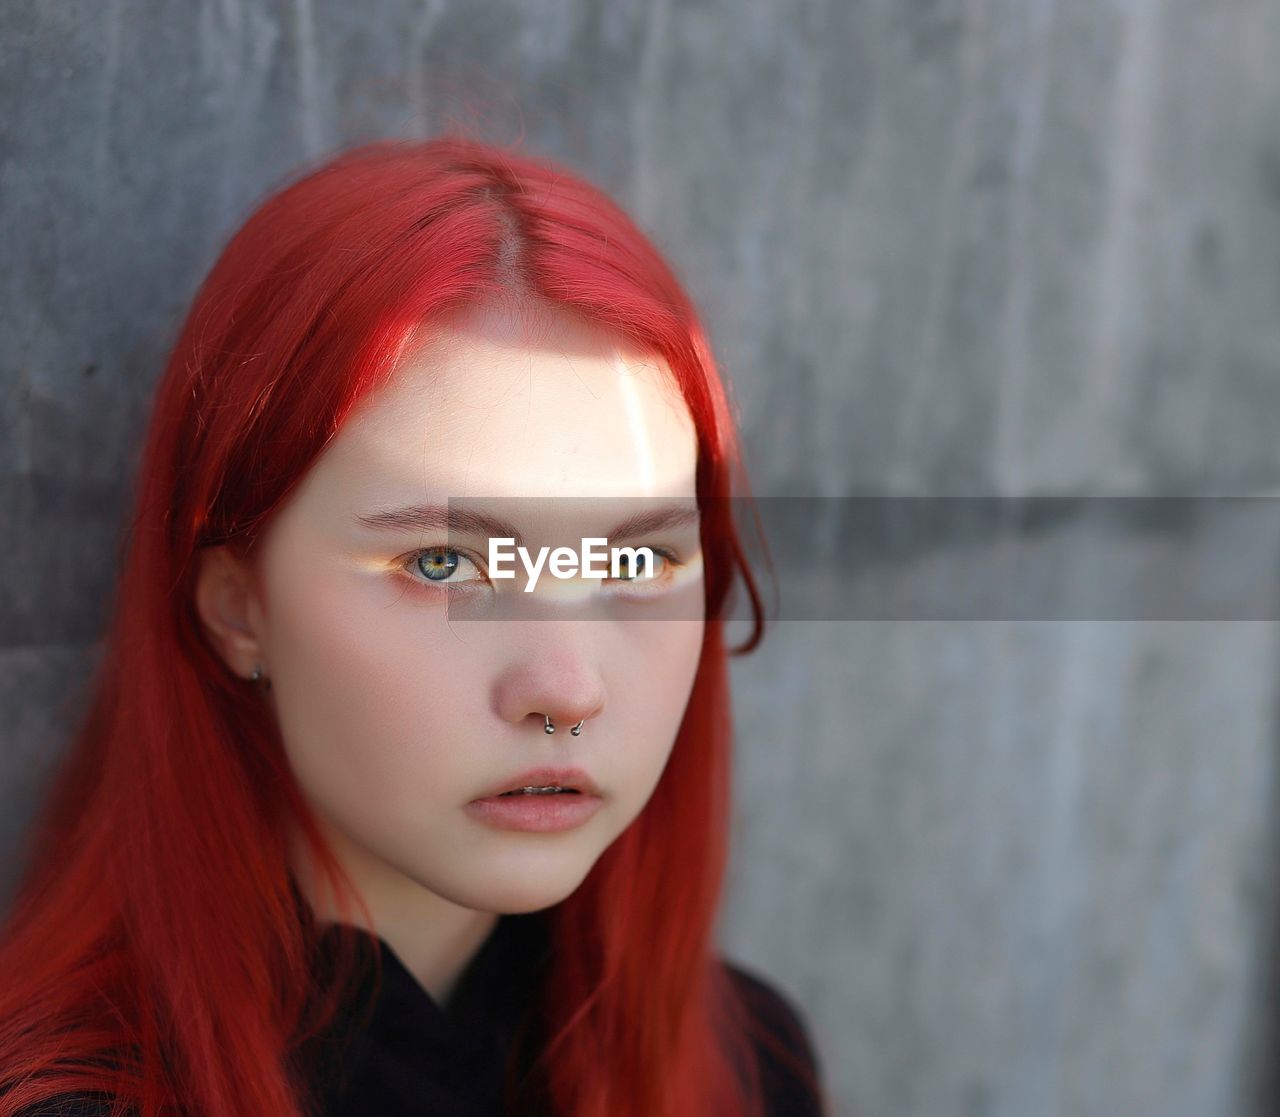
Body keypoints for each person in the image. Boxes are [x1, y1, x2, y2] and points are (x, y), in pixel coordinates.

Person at [0, 135, 831, 1117]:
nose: (566, 692)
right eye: (444, 563)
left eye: (634, 561)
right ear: (237, 606)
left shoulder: (743, 1067)